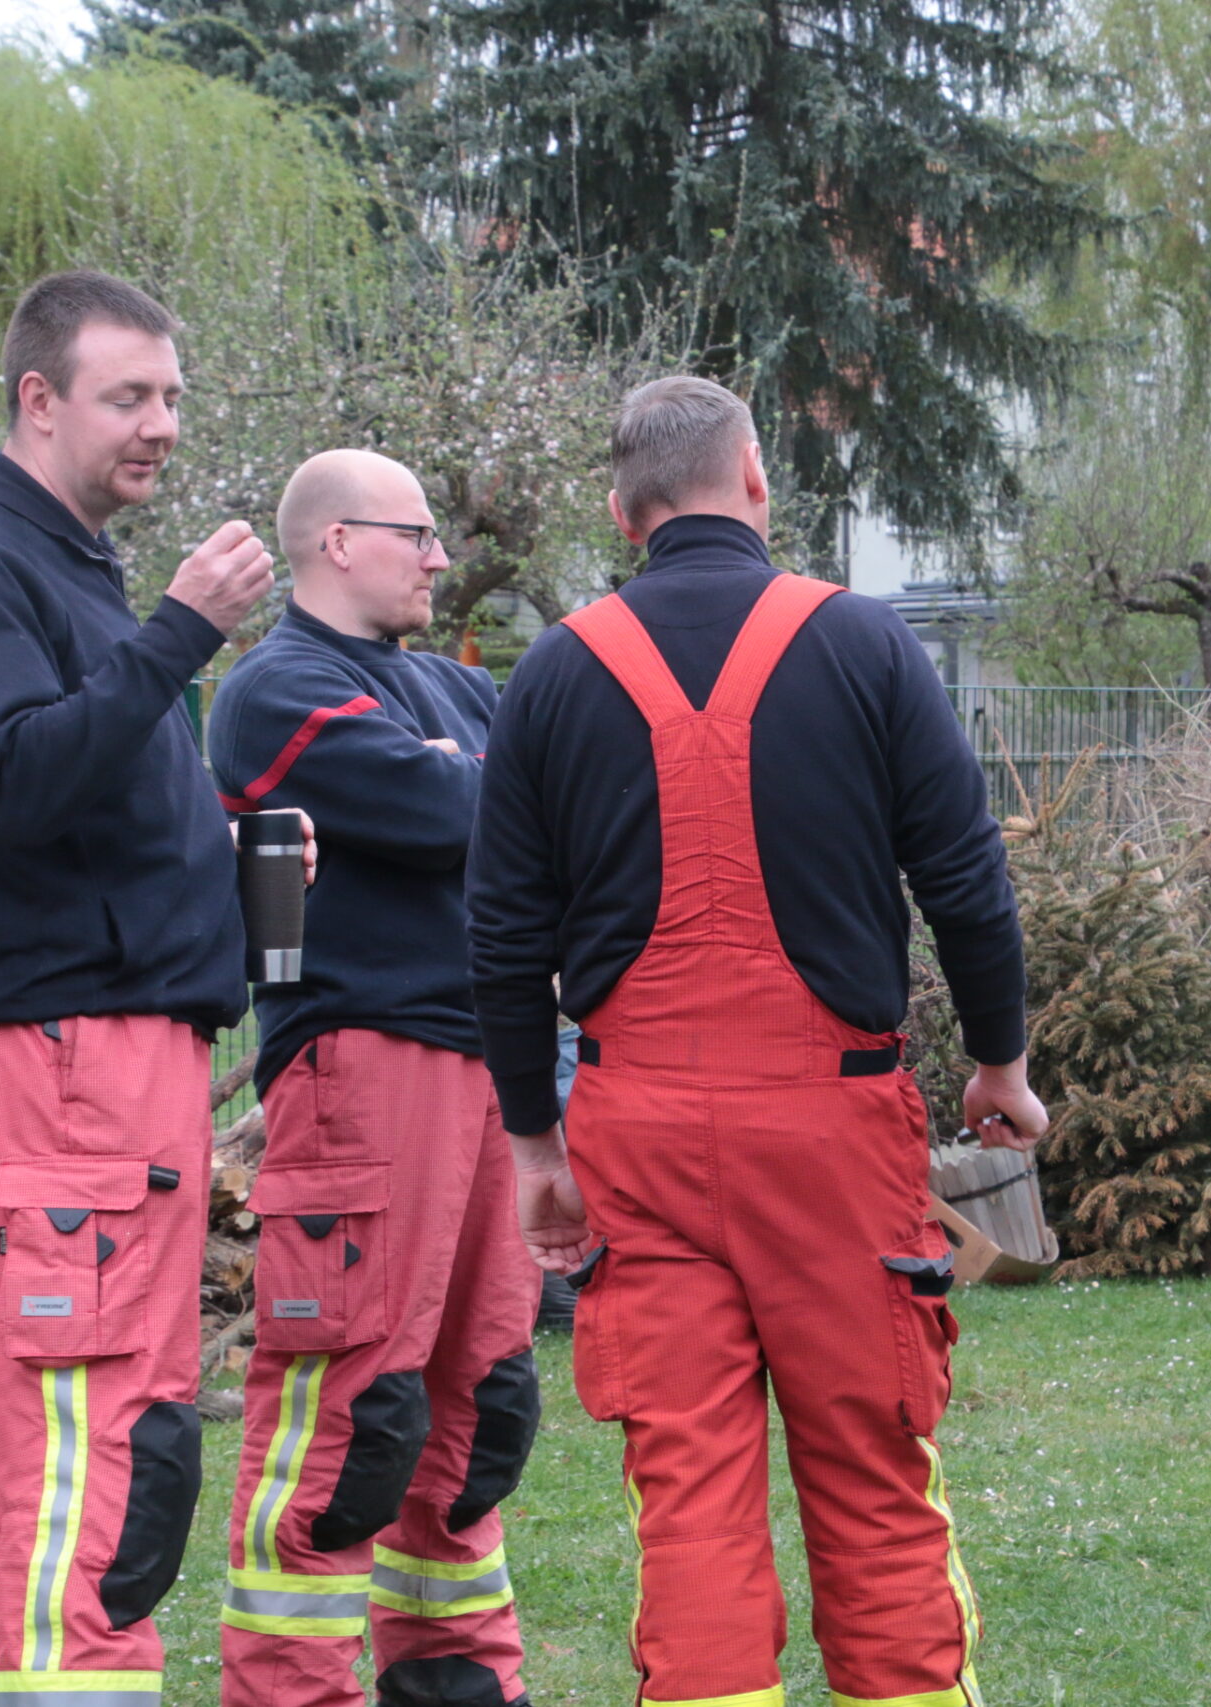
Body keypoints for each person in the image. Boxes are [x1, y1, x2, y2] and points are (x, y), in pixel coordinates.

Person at [466, 377, 1047, 1707]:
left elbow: (500, 939)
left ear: (624, 511)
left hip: (637, 1141)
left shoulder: (553, 672)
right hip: (833, 1137)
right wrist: (1000, 1064)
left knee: (689, 1507)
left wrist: (535, 1149)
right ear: (755, 478)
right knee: (874, 1484)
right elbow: (966, 881)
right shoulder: (867, 644)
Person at [0, 269, 308, 1707]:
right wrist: (182, 632)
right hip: (64, 1053)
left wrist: (227, 868)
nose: (162, 424)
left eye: (172, 396)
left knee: (50, 1429)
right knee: (102, 1424)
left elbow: (91, 795)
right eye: (129, 395)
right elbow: (15, 778)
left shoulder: (68, 565)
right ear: (39, 398)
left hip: (105, 1045)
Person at [206, 449, 543, 1707]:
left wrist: (481, 779)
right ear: (338, 541)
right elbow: (465, 816)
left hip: (486, 1070)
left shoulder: (452, 686)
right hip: (362, 1070)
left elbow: (530, 808)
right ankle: (292, 1689)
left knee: (480, 1409)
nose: (442, 557)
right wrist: (486, 786)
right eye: (418, 534)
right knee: (351, 1414)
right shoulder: (276, 691)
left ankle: (457, 1683)